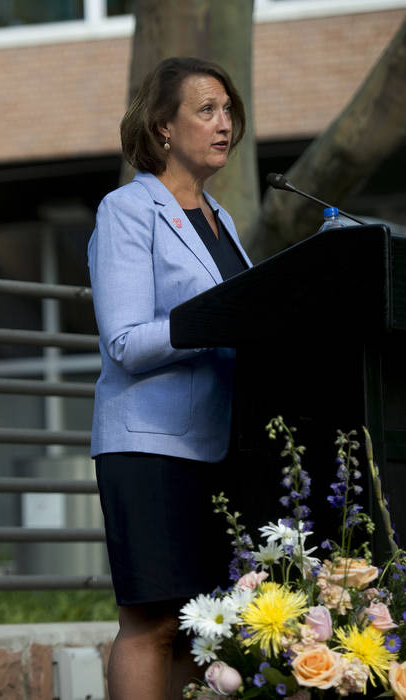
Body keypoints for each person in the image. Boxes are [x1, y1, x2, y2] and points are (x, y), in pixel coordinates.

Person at [87, 57, 252, 699]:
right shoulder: (128, 210)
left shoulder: (222, 219)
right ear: (162, 127)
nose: (224, 124)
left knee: (197, 627)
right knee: (153, 621)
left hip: (219, 446)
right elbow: (125, 342)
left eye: (228, 110)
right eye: (206, 110)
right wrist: (218, 319)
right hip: (149, 446)